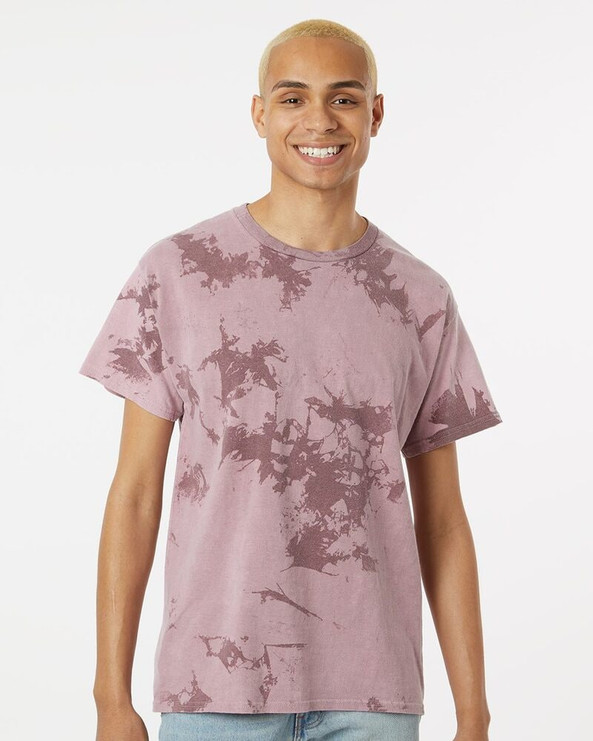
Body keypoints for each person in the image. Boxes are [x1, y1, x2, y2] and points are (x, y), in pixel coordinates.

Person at [80, 17, 502, 741]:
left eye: (343, 98)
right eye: (292, 97)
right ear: (259, 114)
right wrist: (109, 699)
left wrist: (475, 714)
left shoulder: (419, 297)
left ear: (375, 114)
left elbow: (442, 521)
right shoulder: (179, 272)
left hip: (372, 697)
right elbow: (135, 494)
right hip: (213, 689)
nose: (319, 120)